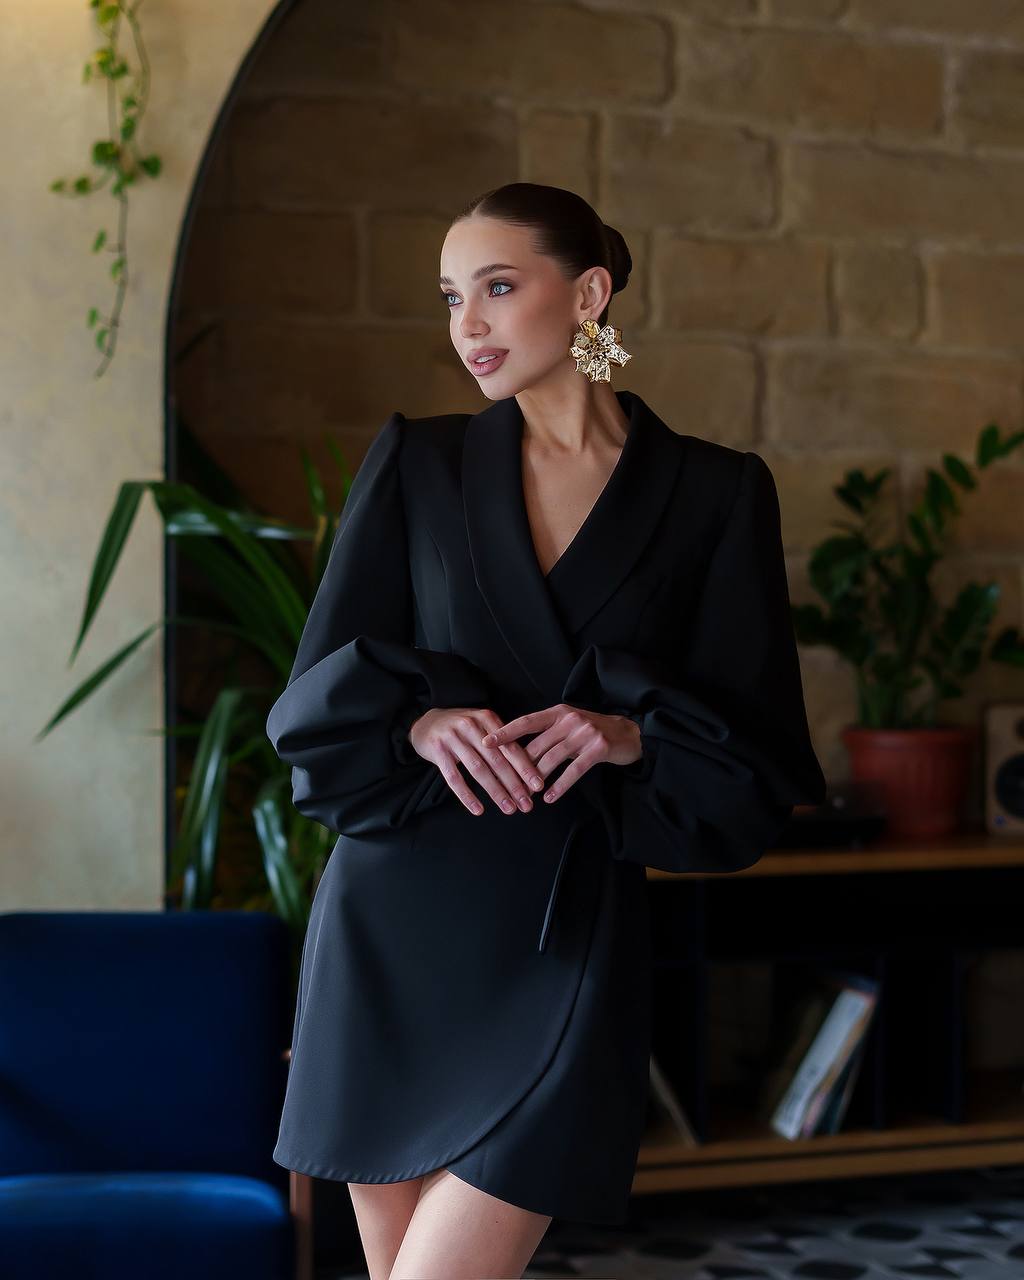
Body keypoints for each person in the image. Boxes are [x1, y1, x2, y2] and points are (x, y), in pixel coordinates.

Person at [265, 182, 827, 1279]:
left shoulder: (716, 493)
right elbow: (318, 686)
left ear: (589, 294)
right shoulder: (417, 462)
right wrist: (422, 721)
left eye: (497, 287)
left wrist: (627, 734)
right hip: (394, 917)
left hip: (564, 937)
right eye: (449, 296)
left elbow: (753, 740)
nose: (465, 323)